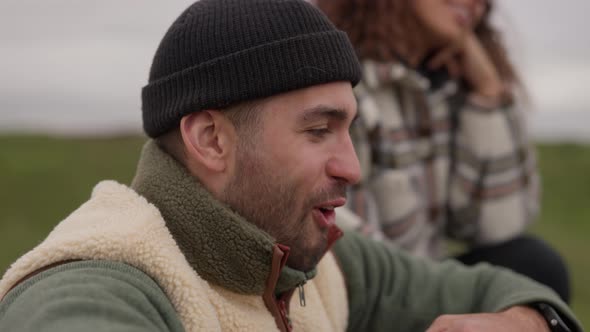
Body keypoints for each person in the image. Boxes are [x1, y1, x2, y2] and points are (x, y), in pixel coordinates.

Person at [0, 0, 581, 331]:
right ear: (211, 140)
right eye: (318, 129)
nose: (352, 166)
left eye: (349, 128)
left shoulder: (318, 259)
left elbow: (501, 283)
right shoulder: (101, 281)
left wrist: (529, 324)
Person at [314, 0, 571, 302]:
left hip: (422, 282)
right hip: (367, 297)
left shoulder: (444, 90)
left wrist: (488, 92)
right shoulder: (342, 86)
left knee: (532, 265)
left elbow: (499, 226)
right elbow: (348, 251)